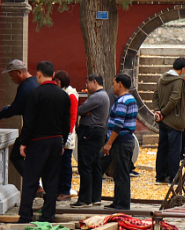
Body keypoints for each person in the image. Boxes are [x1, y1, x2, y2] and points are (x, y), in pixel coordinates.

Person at [17, 61, 71, 224]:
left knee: (31, 178)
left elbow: (29, 122)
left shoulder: (35, 94)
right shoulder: (63, 95)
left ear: (39, 74)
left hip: (38, 141)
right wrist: (62, 142)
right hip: (55, 141)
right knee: (52, 179)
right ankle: (48, 215)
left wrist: (24, 142)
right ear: (53, 75)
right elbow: (66, 123)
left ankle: (25, 215)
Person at [0, 59, 39, 178]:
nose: (12, 80)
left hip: (30, 129)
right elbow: (25, 108)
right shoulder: (35, 83)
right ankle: (37, 186)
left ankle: (35, 185)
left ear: (19, 72)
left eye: (12, 76)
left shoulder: (25, 87)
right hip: (38, 128)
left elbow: (14, 110)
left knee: (16, 156)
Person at [73, 73, 110, 207]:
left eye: (87, 83)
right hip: (97, 132)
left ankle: (85, 199)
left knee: (85, 165)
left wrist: (84, 112)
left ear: (95, 82)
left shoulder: (97, 96)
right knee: (95, 165)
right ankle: (95, 197)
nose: (86, 86)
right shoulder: (103, 96)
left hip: (90, 132)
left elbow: (80, 109)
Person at [151, 56, 185, 185]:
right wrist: (162, 112)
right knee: (174, 150)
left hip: (162, 121)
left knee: (162, 148)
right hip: (174, 120)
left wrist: (158, 111)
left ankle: (160, 176)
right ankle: (174, 178)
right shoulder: (178, 81)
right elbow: (174, 99)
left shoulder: (162, 78)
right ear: (183, 69)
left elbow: (155, 95)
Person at [102, 74, 138, 210]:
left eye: (113, 83)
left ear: (120, 84)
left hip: (121, 141)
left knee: (121, 173)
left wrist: (109, 143)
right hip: (127, 140)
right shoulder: (132, 99)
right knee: (119, 172)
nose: (113, 87)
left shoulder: (123, 101)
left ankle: (122, 204)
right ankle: (117, 201)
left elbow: (118, 124)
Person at [54, 70, 78, 202]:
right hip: (63, 132)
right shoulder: (63, 93)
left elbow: (72, 115)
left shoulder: (71, 95)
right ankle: (60, 189)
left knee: (65, 164)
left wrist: (68, 134)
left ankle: (65, 190)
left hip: (68, 133)